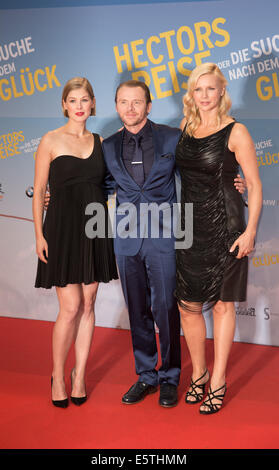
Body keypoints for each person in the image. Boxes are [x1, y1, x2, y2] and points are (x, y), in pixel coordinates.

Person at [102, 80, 246, 408]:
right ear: (116, 106)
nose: (130, 108)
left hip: (165, 239)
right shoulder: (107, 146)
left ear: (148, 106)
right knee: (136, 309)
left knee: (167, 308)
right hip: (126, 241)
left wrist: (238, 180)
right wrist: (57, 197)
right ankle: (145, 375)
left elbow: (200, 171)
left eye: (137, 102)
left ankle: (170, 376)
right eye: (123, 102)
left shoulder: (172, 137)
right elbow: (98, 186)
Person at [175, 63, 262, 414]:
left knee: (224, 305)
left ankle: (219, 379)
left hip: (227, 225)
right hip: (190, 227)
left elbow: (253, 185)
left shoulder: (236, 131)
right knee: (188, 306)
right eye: (199, 89)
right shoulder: (185, 127)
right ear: (191, 94)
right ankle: (198, 372)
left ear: (222, 91)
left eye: (211, 88)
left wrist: (251, 230)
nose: (205, 95)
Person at [33, 77, 118, 408]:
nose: (80, 105)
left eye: (85, 99)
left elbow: (118, 182)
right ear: (64, 105)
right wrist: (39, 234)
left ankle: (79, 374)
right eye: (73, 100)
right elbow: (40, 191)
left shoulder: (102, 143)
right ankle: (57, 373)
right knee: (69, 306)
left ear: (93, 104)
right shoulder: (50, 140)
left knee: (89, 303)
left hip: (95, 228)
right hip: (61, 230)